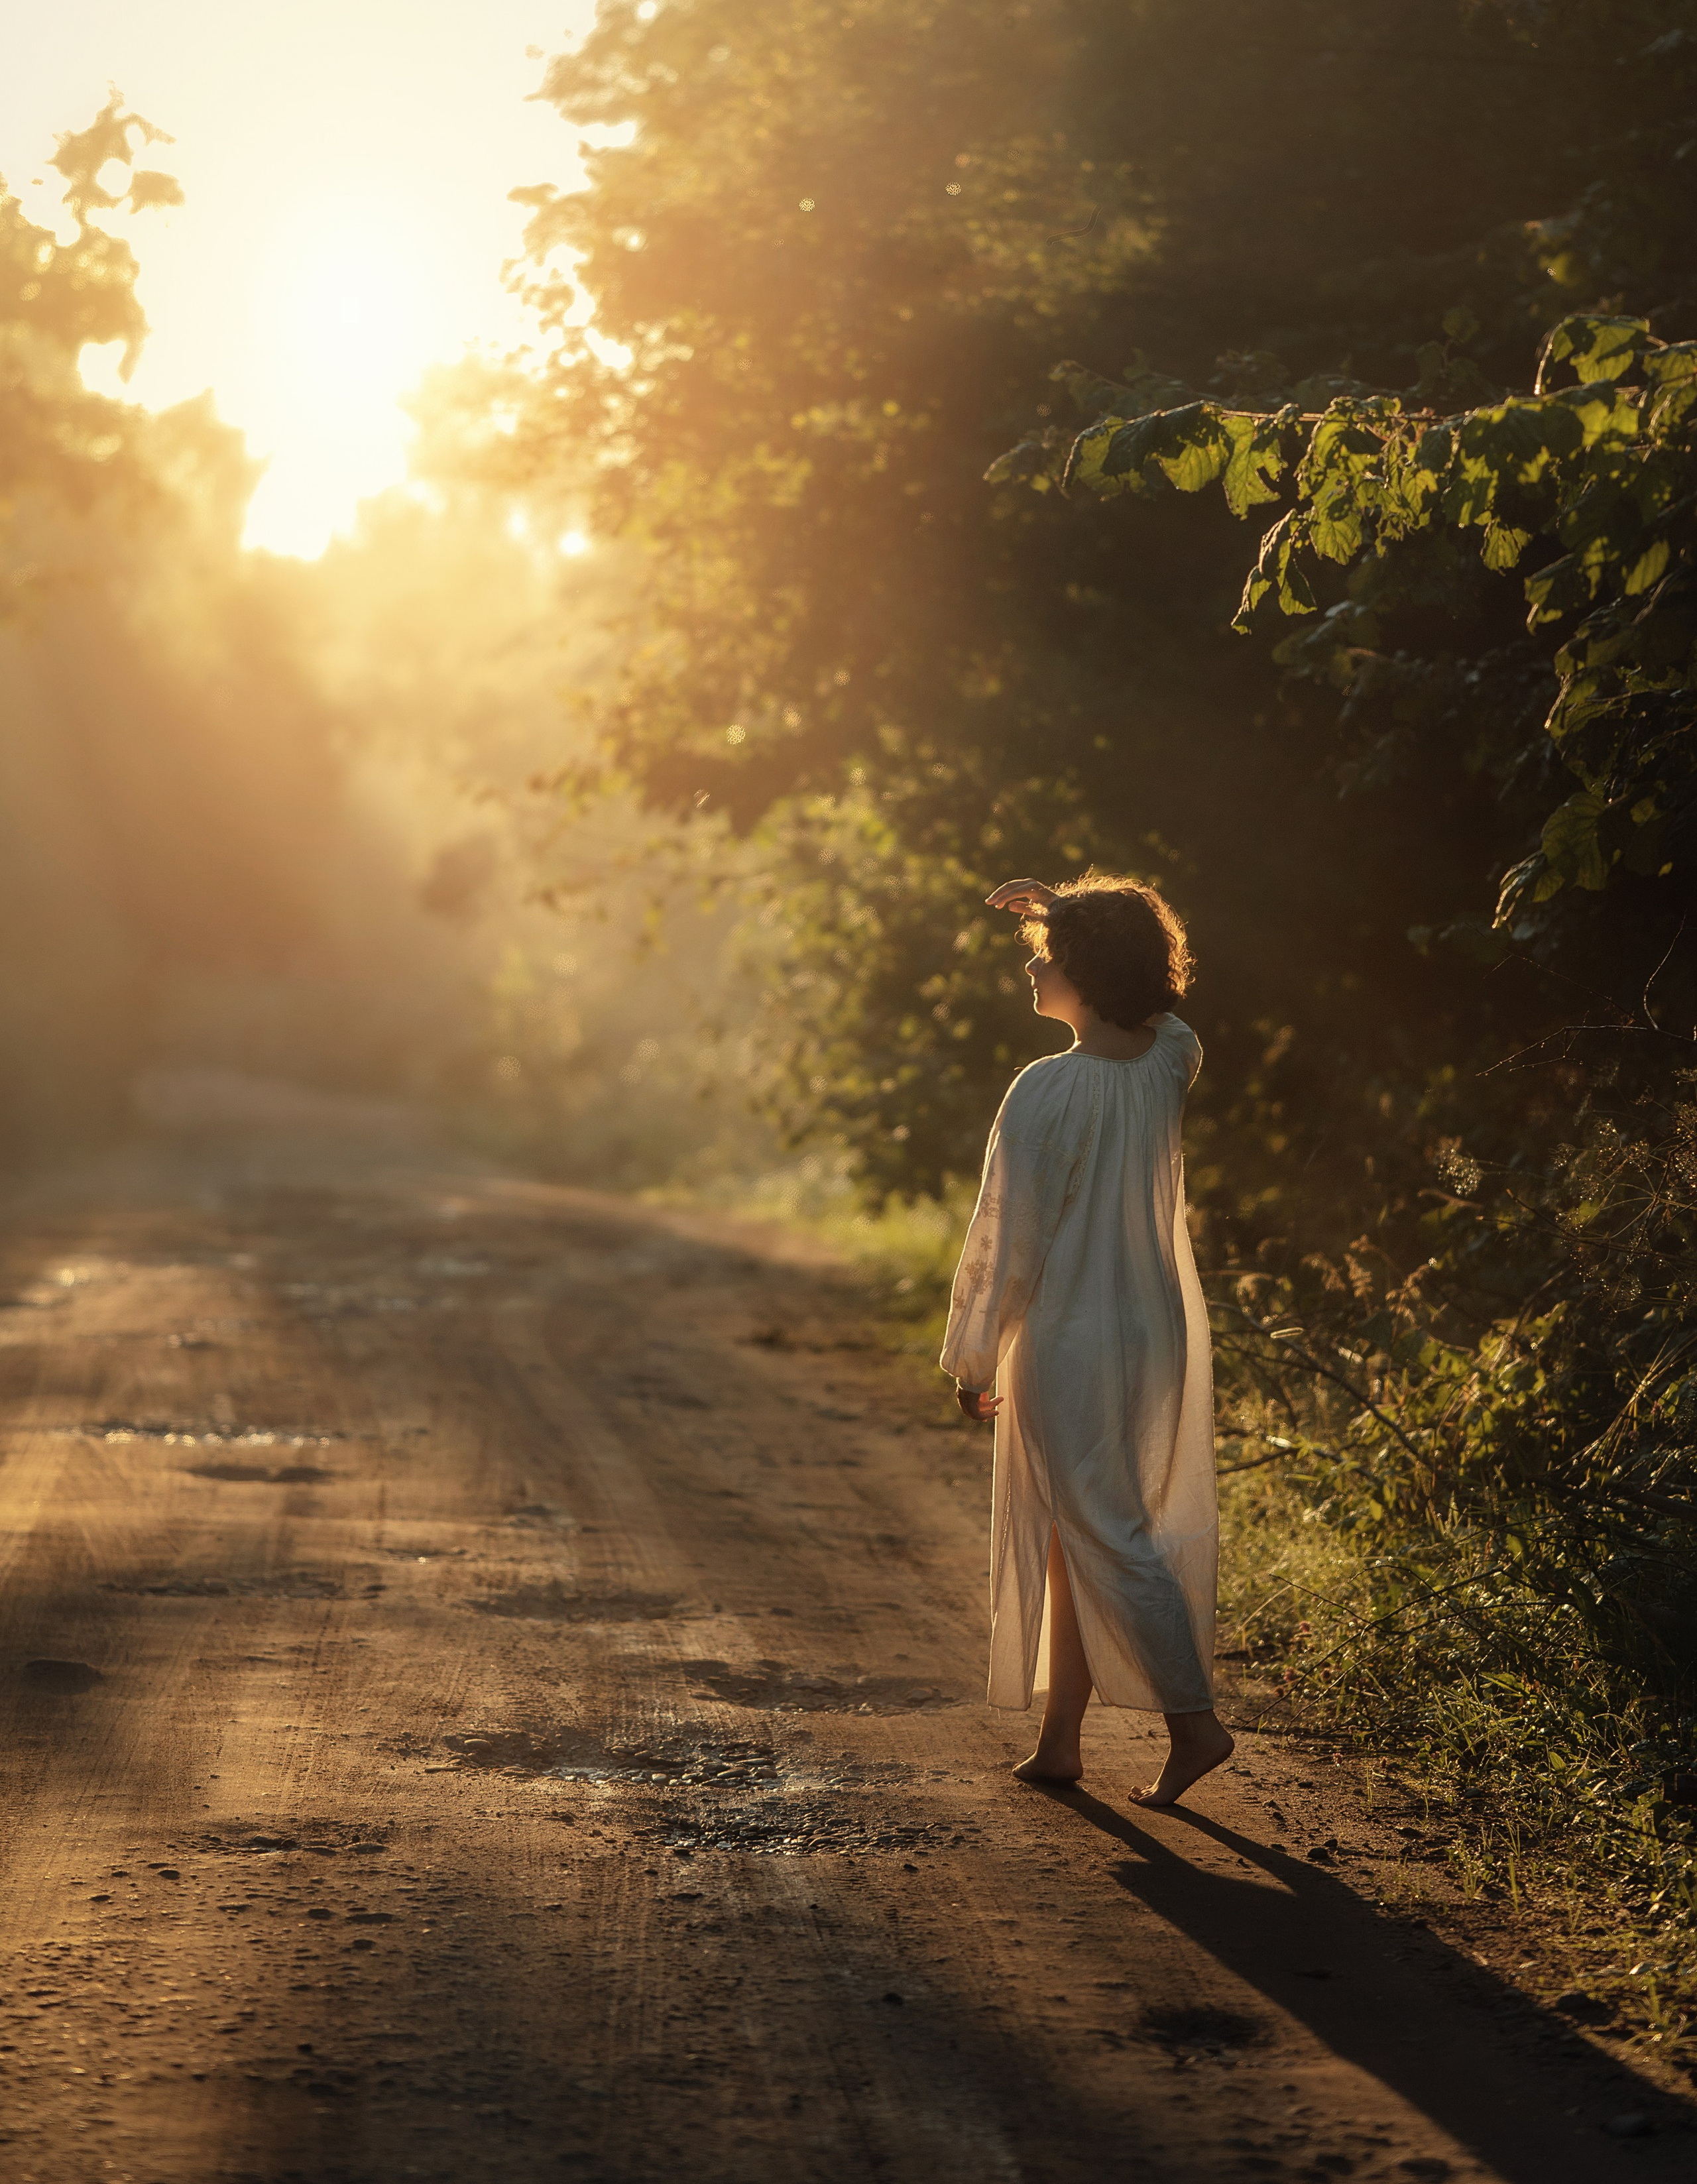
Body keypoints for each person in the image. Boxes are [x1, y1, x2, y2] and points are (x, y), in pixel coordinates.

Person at [939, 874, 1232, 1807]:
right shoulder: (1169, 1060)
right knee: (1081, 1526)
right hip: (1151, 1325)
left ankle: (1194, 1726)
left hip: (1072, 1333)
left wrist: (975, 1355)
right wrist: (1060, 903)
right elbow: (1146, 975)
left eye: (1047, 954)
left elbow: (1006, 1239)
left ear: (1086, 974)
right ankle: (1059, 1737)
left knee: (1104, 1527)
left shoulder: (1045, 1091)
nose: (1031, 963)